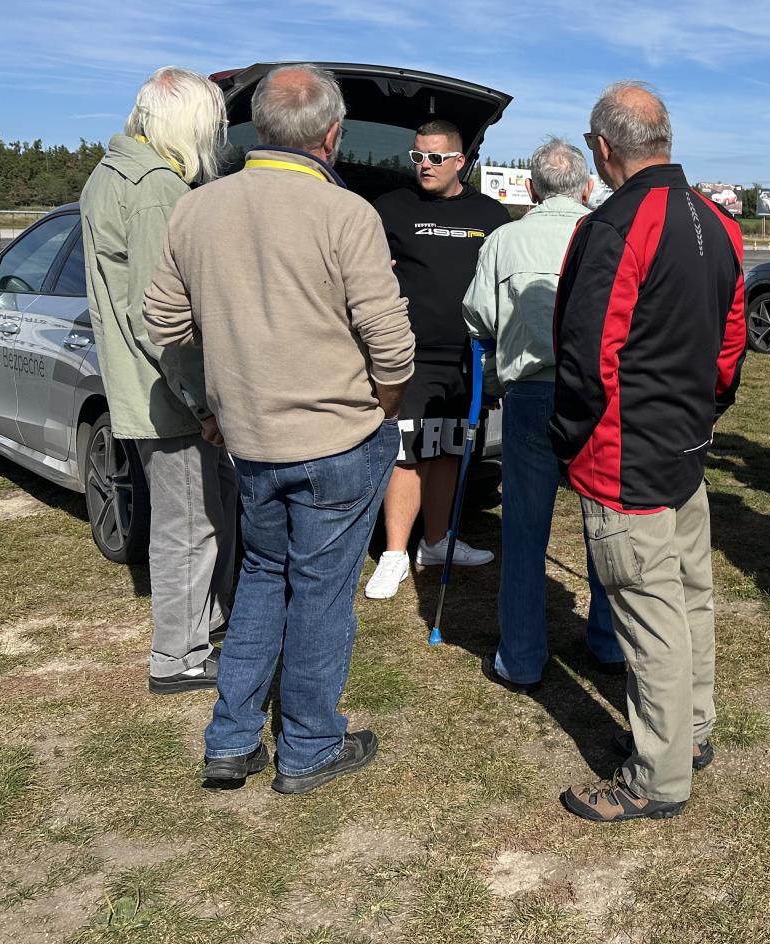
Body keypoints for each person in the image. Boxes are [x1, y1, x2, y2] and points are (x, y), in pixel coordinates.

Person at [144, 64, 414, 794]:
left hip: (251, 439)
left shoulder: (196, 209)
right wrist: (385, 405)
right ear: (332, 135)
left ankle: (231, 740)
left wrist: (212, 395)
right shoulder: (344, 212)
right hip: (337, 439)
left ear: (259, 129)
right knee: (322, 592)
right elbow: (390, 340)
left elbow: (163, 321)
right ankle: (309, 746)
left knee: (263, 578)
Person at [551, 81, 745, 823]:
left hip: (626, 453)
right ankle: (690, 733)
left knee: (652, 613)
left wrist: (570, 438)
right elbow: (730, 348)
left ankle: (658, 775)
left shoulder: (615, 225)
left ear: (603, 149)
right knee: (688, 598)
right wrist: (705, 410)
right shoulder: (718, 225)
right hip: (684, 444)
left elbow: (586, 352)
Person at [78, 67, 236, 695]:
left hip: (147, 386)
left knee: (209, 512)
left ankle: (209, 625)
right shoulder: (154, 187)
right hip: (167, 394)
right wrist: (203, 403)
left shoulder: (113, 171)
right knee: (189, 525)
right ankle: (178, 655)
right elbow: (162, 318)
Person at [461, 138, 623, 690]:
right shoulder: (605, 233)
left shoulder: (506, 240)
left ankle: (523, 656)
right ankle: (607, 640)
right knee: (604, 522)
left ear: (530, 189)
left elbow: (478, 315)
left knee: (525, 530)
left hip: (530, 394)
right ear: (585, 188)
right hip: (596, 394)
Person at [362, 120, 506, 599]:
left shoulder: (490, 215)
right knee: (405, 453)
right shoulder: (391, 209)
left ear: (461, 161)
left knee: (448, 448)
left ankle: (438, 541)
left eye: (437, 157)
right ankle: (394, 553)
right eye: (418, 156)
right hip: (408, 354)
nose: (425, 165)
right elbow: (361, 267)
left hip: (467, 356)